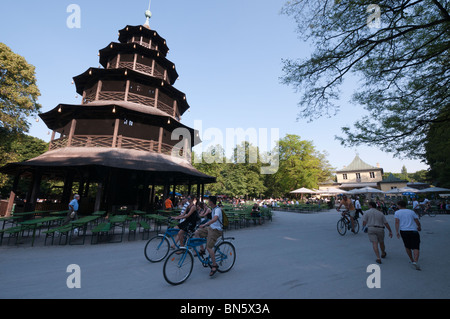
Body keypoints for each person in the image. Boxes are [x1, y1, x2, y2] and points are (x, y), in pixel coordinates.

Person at [194, 196, 223, 276]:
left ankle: (214, 265)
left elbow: (215, 219)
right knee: (197, 232)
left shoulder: (217, 209)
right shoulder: (213, 209)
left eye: (209, 201)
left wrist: (205, 224)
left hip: (216, 230)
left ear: (211, 202)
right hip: (211, 228)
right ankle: (202, 250)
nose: (208, 202)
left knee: (209, 247)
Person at [395, 200, 422, 270]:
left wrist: (397, 231)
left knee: (407, 246)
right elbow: (417, 220)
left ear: (399, 205)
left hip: (404, 231)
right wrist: (419, 227)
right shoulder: (411, 212)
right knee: (416, 246)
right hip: (413, 230)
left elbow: (397, 222)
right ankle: (416, 261)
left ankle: (412, 260)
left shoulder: (397, 212)